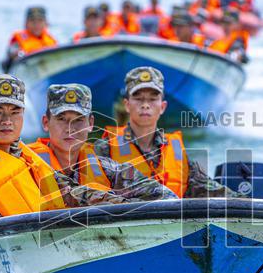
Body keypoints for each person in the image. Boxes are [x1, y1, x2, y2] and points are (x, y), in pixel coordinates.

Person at [0, 76, 126, 243]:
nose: (7, 120)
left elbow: (70, 193)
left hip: (55, 244)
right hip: (16, 248)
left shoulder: (28, 159)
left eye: (15, 112)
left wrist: (127, 202)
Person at [95, 67, 238, 198]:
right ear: (127, 105)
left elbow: (206, 188)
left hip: (172, 223)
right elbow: (93, 194)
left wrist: (246, 200)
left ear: (162, 107)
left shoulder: (176, 150)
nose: (145, 105)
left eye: (153, 99)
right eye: (138, 99)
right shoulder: (105, 147)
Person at [28, 83, 177, 201]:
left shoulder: (106, 168)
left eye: (79, 120)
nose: (70, 128)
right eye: (61, 119)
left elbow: (160, 193)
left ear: (90, 123)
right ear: (46, 122)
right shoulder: (28, 165)